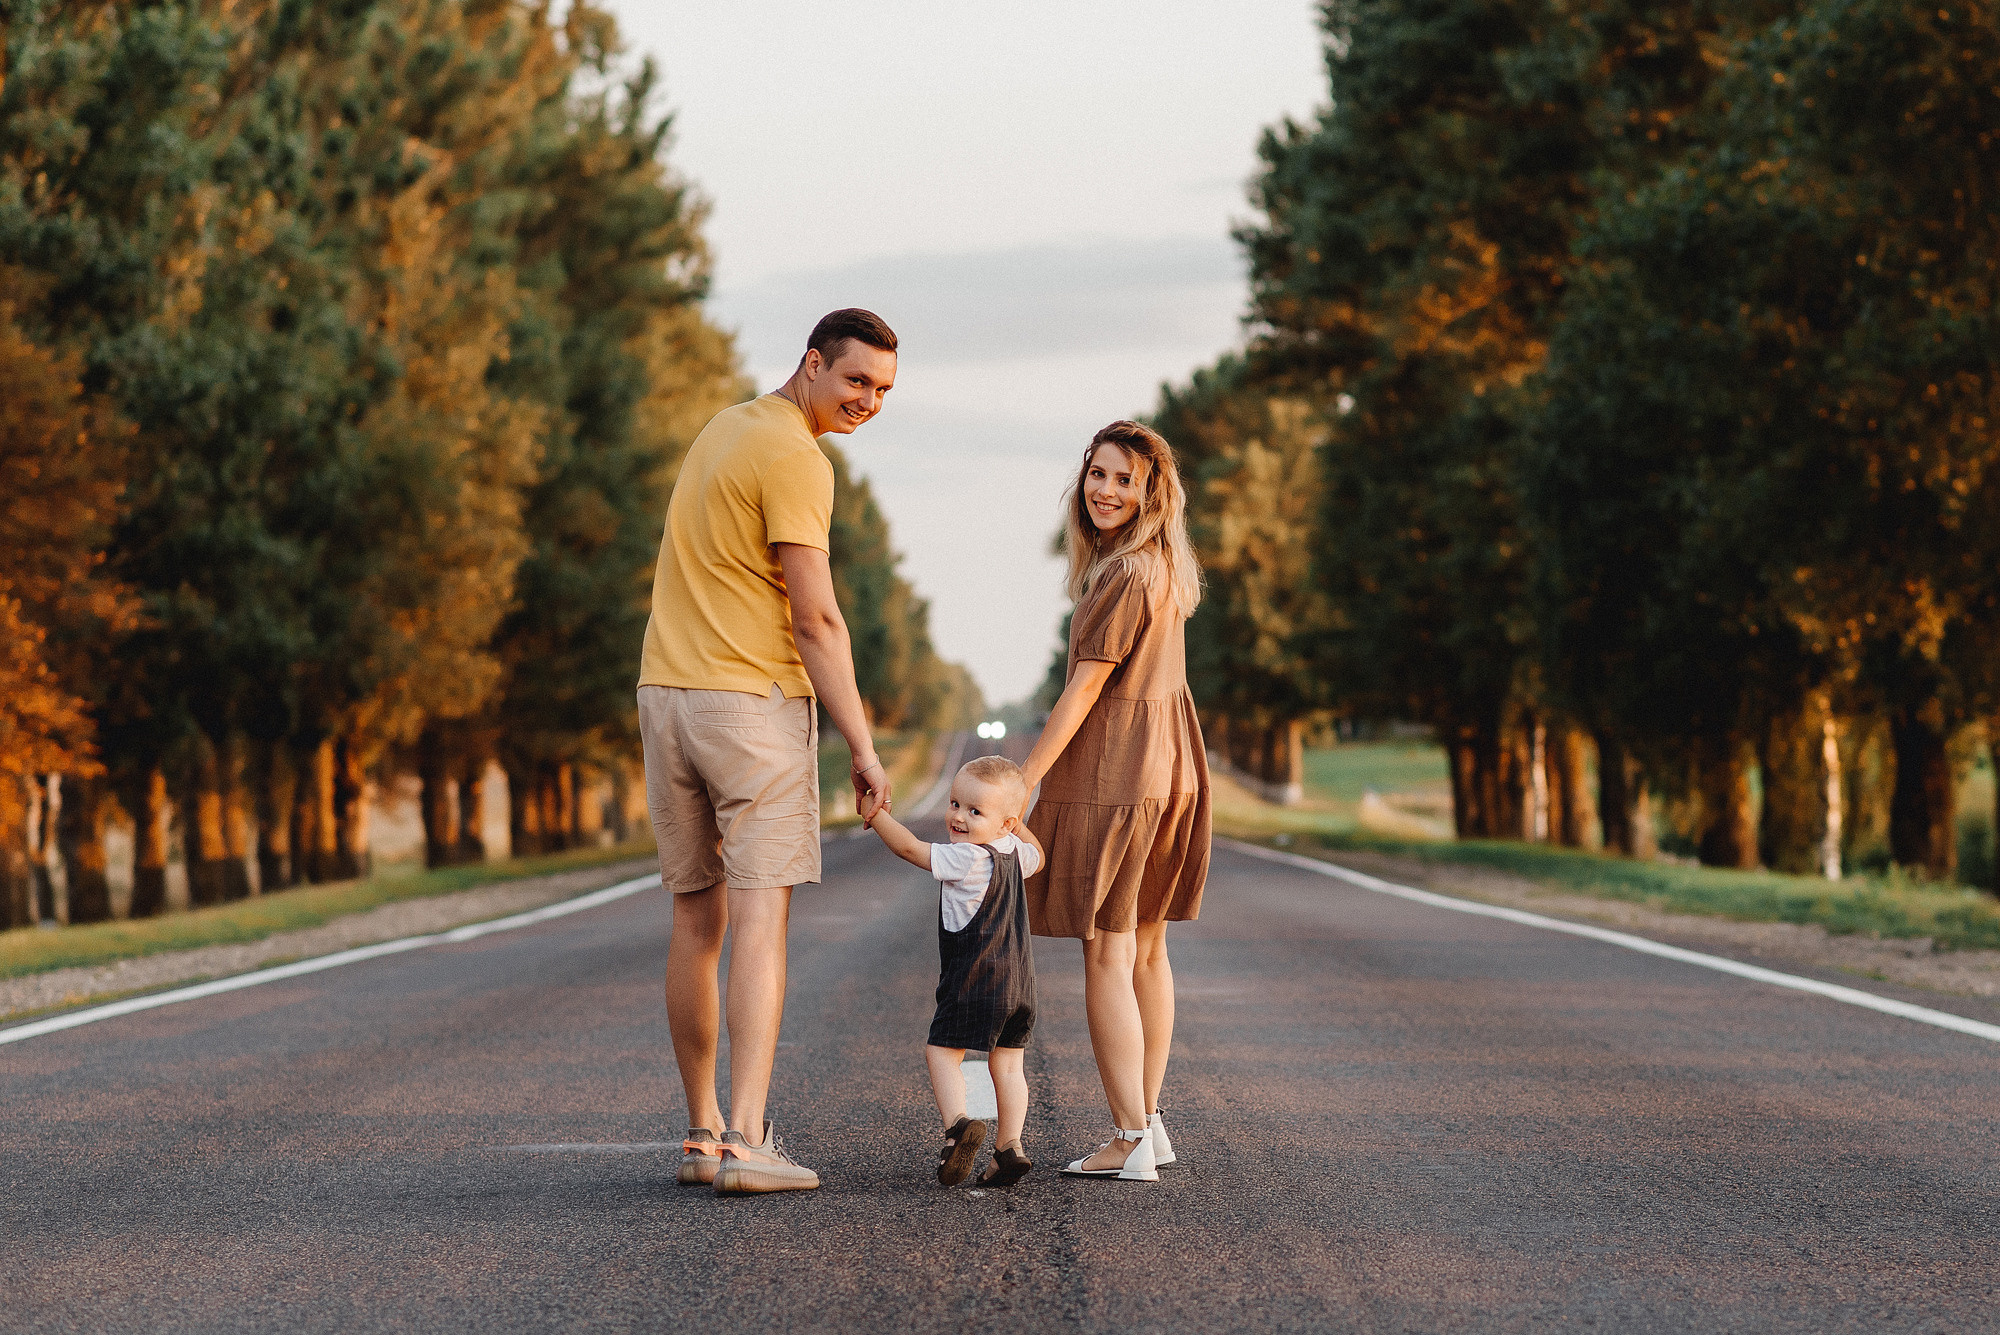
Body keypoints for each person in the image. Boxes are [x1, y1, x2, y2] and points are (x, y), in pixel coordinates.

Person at [638, 308, 898, 1196]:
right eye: (856, 380)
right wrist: (862, 745)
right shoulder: (797, 456)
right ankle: (748, 1139)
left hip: (665, 695)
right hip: (749, 704)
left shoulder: (723, 429)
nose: (868, 401)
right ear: (812, 362)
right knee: (758, 915)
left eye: (883, 389)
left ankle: (702, 1132)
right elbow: (815, 617)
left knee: (694, 919)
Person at [1020, 420, 1209, 1183]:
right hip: (1171, 770)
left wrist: (1024, 780)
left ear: (1151, 492)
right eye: (1097, 473)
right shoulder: (1163, 568)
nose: (1104, 489)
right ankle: (1148, 1124)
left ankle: (1129, 1137)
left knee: (1108, 950)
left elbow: (1085, 688)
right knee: (1147, 951)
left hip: (1121, 774)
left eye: (1124, 479)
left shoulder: (1126, 574)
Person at [866, 755, 1043, 1187]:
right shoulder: (1015, 853)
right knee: (1009, 1066)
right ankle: (1009, 1147)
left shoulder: (966, 858)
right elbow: (1039, 853)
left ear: (1003, 823)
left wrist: (876, 815)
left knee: (943, 1052)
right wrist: (1015, 825)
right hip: (1020, 987)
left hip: (975, 980)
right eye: (955, 803)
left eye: (975, 811)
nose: (959, 817)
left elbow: (910, 848)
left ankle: (957, 1127)